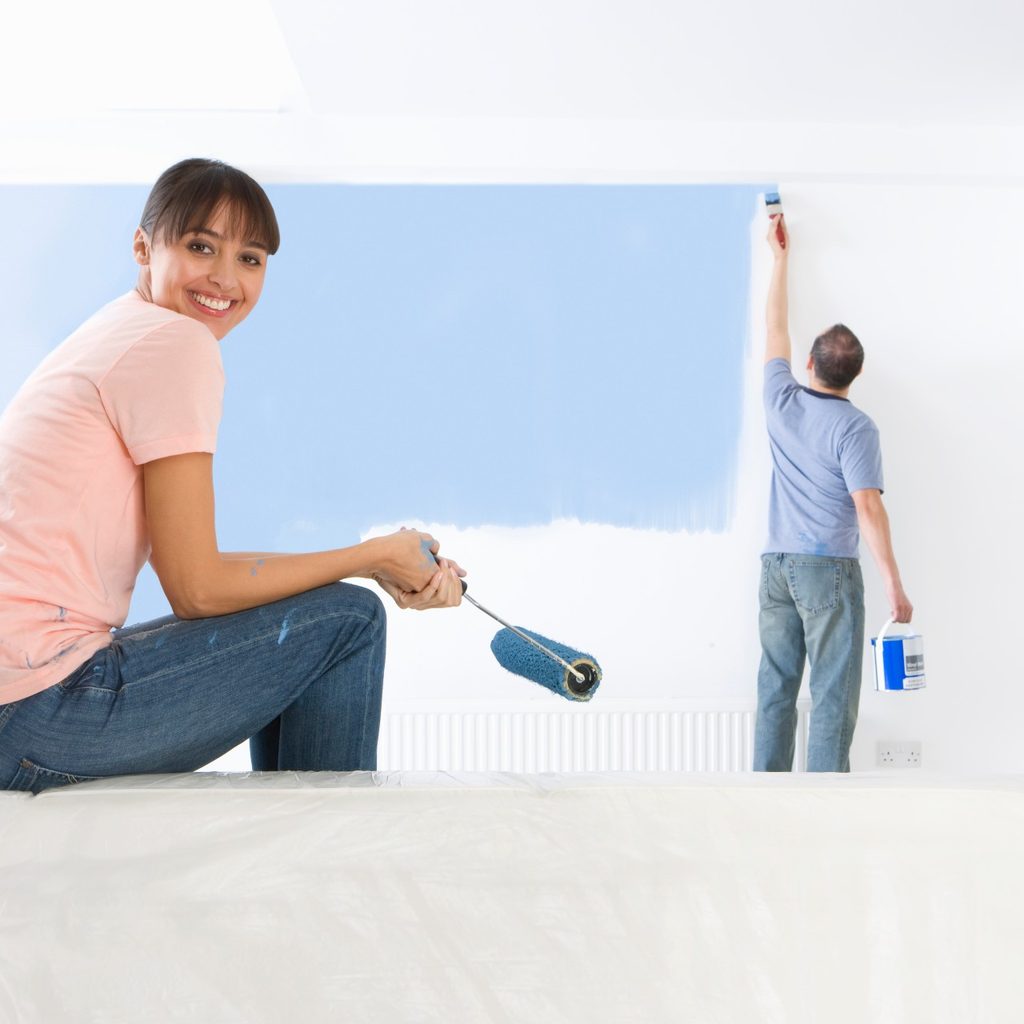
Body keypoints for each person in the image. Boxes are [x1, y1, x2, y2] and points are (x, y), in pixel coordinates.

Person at [0, 158, 465, 794]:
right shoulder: (175, 343)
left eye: (250, 259)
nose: (225, 278)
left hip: (22, 699)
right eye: (200, 247)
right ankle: (320, 870)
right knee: (350, 621)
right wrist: (371, 556)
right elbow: (196, 588)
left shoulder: (117, 331)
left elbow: (198, 573)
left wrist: (376, 558)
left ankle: (292, 862)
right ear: (144, 246)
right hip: (33, 711)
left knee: (321, 609)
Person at [754, 212, 912, 773]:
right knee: (832, 695)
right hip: (828, 571)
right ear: (854, 376)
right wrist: (894, 583)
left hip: (775, 565)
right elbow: (867, 506)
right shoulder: (855, 428)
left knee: (775, 688)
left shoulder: (781, 399)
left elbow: (775, 328)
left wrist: (780, 259)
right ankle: (823, 812)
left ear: (809, 364)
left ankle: (762, 805)